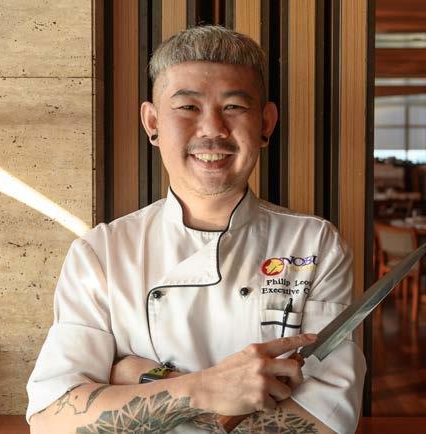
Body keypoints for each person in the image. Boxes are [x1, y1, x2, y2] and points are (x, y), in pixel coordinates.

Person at [27, 25, 366, 434]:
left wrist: (142, 376)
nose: (212, 129)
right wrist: (203, 389)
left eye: (234, 106)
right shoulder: (102, 252)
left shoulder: (315, 244)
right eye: (187, 107)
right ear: (152, 122)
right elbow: (52, 417)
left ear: (265, 123)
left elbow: (328, 422)